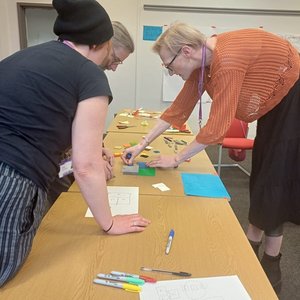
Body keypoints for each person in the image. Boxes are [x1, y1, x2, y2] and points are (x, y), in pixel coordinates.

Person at [122, 22, 300, 292]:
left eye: (168, 65)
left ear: (186, 52)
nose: (170, 72)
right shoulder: (203, 60)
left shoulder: (225, 61)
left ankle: (270, 262)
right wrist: (142, 144)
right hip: (274, 104)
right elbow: (178, 109)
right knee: (265, 173)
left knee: (273, 178)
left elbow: (216, 128)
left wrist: (177, 158)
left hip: (292, 96)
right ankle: (253, 248)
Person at [0, 0, 150, 287]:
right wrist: (109, 222)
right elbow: (86, 166)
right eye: (112, 55)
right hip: (10, 177)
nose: (113, 66)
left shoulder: (29, 56)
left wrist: (88, 147)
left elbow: (36, 120)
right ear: (100, 43)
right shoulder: (89, 73)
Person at [47, 20, 135, 205]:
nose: (114, 67)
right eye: (116, 59)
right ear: (105, 44)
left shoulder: (71, 67)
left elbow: (72, 123)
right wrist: (92, 158)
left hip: (49, 158)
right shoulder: (83, 73)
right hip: (30, 163)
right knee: (65, 206)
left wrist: (96, 148)